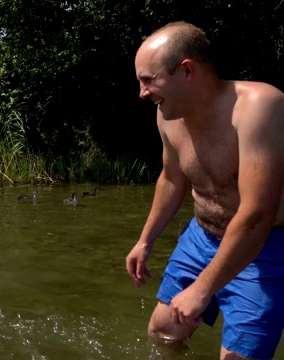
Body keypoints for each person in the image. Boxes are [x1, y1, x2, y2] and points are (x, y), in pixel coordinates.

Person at [126, 21, 284, 360]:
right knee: (163, 331)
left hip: (266, 246)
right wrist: (145, 241)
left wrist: (203, 288)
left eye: (148, 80)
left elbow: (258, 215)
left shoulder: (260, 107)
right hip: (202, 237)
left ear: (186, 71)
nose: (142, 92)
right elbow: (171, 178)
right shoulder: (167, 116)